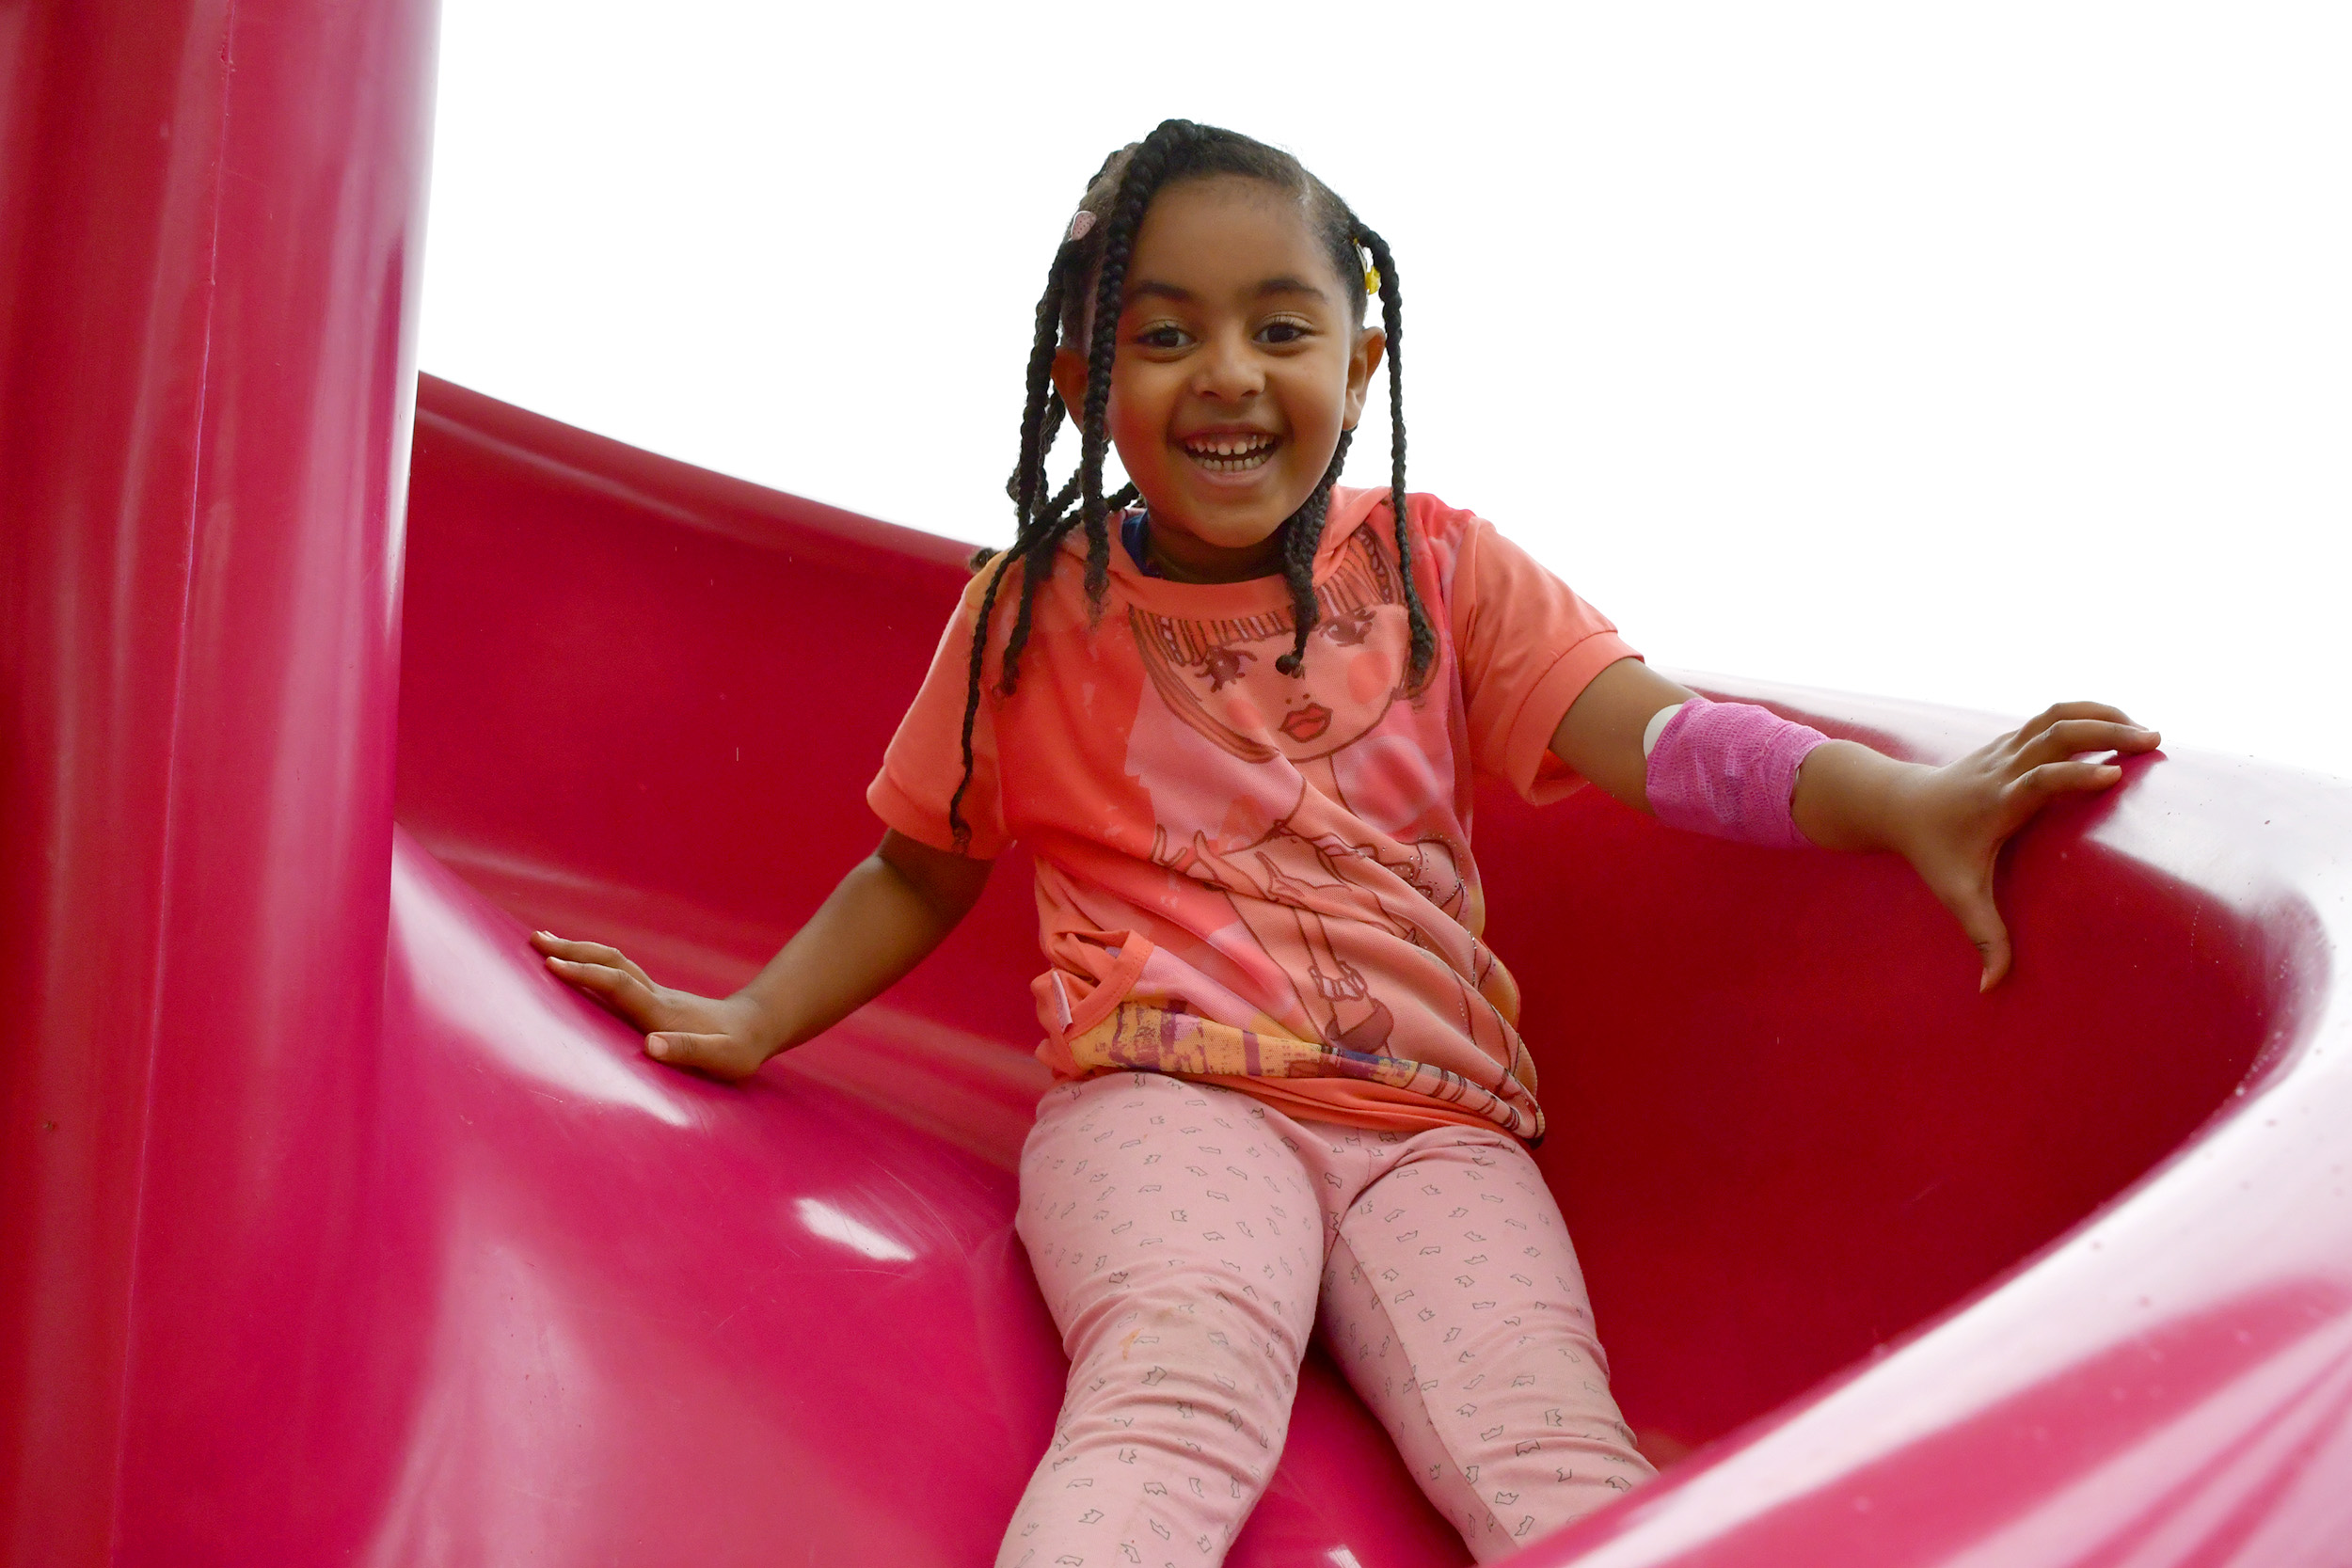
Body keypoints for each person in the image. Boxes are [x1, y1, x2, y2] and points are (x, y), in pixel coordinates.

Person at [532, 120, 2160, 1566]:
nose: (1226, 373)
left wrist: (1907, 804)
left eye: (1280, 327)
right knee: (1177, 1384)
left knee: (1552, 1455)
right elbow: (919, 866)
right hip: (1167, 1090)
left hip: (1435, 1131)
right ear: (1078, 382)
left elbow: (1661, 740)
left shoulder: (1442, 572)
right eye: (1162, 336)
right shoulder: (1036, 614)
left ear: (1361, 364)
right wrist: (753, 1015)